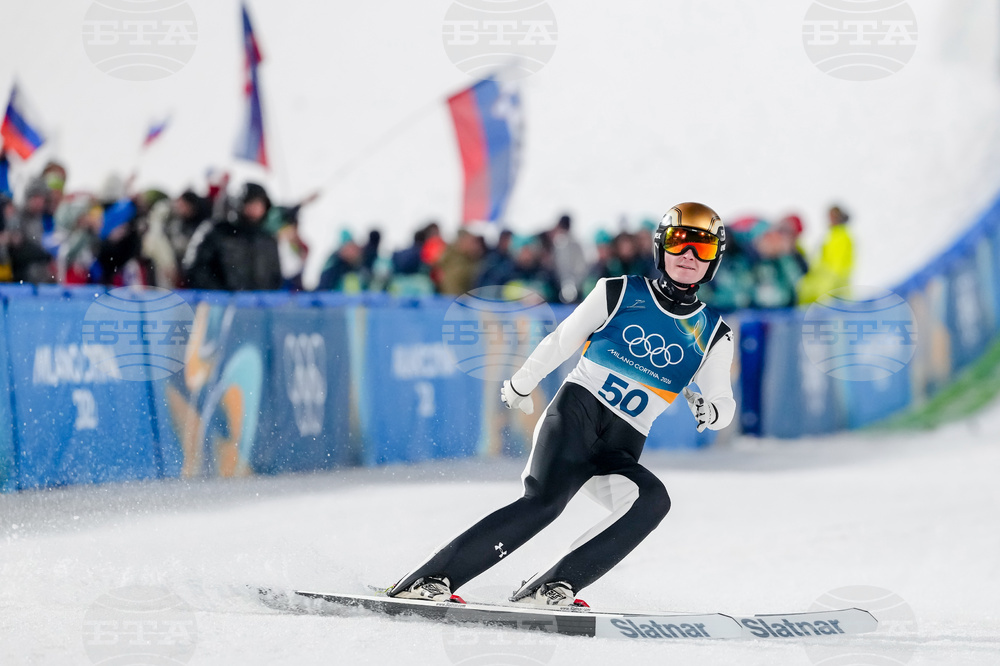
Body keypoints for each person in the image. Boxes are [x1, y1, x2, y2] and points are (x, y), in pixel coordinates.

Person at [387, 202, 736, 607]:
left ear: (715, 260)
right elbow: (561, 341)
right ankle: (431, 578)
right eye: (679, 244)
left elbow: (723, 402)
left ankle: (554, 584)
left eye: (703, 248)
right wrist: (521, 384)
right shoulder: (619, 291)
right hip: (574, 418)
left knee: (652, 501)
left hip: (619, 449)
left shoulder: (714, 334)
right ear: (661, 249)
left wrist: (710, 412)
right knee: (544, 504)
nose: (689, 257)